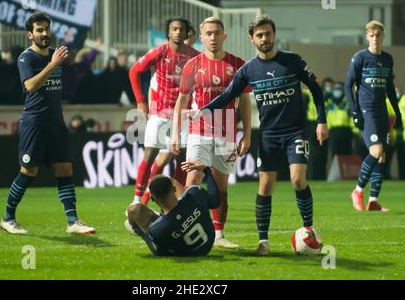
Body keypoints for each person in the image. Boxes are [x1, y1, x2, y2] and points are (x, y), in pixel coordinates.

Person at [192, 15, 328, 255]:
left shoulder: (293, 61)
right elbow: (228, 95)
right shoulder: (248, 70)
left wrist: (321, 121)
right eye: (260, 35)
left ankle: (309, 228)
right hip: (268, 135)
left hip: (296, 131)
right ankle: (263, 241)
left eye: (268, 34)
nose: (265, 38)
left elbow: (316, 90)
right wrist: (203, 110)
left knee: (297, 179)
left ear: (274, 35)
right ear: (252, 39)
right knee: (265, 186)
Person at [0, 12, 95, 235]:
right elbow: (30, 86)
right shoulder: (26, 58)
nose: (44, 33)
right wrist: (52, 65)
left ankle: (73, 222)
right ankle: (8, 218)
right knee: (28, 170)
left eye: (46, 29)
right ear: (29, 35)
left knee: (65, 168)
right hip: (34, 123)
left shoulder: (55, 54)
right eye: (39, 30)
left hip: (56, 123)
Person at [171, 17, 252, 249]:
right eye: (209, 33)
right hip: (198, 131)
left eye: (217, 33)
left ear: (224, 36)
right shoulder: (192, 65)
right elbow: (182, 101)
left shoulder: (238, 64)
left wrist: (246, 134)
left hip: (227, 132)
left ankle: (219, 235)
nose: (213, 37)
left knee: (221, 186)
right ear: (201, 37)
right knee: (193, 180)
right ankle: (185, 229)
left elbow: (244, 101)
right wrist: (176, 134)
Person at [129, 17, 199, 205]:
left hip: (183, 117)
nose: (177, 32)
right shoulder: (159, 52)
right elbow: (134, 71)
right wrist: (140, 101)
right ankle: (137, 202)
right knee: (150, 155)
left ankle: (177, 201)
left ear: (186, 33)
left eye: (181, 29)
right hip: (159, 113)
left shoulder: (195, 56)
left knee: (181, 159)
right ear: (168, 32)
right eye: (174, 29)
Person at [344, 20, 402, 212]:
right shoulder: (359, 58)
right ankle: (357, 191)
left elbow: (390, 90)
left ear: (383, 36)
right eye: (372, 35)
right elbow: (348, 85)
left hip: (382, 112)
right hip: (367, 110)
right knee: (376, 151)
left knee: (382, 156)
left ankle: (373, 201)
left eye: (378, 35)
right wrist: (355, 111)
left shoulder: (387, 59)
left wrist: (397, 112)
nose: (375, 38)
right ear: (367, 36)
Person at [125, 162, 219, 256]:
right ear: (174, 189)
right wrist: (207, 171)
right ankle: (165, 215)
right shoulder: (194, 194)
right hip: (208, 244)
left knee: (134, 210)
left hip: (185, 253)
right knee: (167, 180)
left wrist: (148, 234)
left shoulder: (156, 230)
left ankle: (139, 229)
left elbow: (163, 252)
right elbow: (215, 202)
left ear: (153, 198)